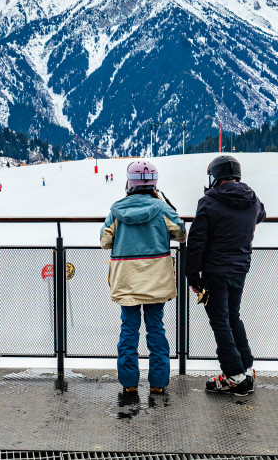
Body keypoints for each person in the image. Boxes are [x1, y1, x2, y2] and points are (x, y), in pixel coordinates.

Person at [100, 159, 186, 395]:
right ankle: (158, 383)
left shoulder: (117, 210)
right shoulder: (162, 209)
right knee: (156, 329)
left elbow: (105, 241)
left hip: (126, 279)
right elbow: (181, 234)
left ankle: (129, 383)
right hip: (156, 279)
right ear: (154, 183)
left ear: (129, 183)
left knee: (129, 329)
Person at [185, 155, 266, 396]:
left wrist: (192, 275)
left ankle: (234, 376)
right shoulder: (252, 198)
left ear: (215, 176)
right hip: (240, 267)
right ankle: (245, 370)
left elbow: (196, 241)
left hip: (215, 271)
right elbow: (261, 215)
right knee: (233, 318)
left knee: (221, 322)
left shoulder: (209, 202)